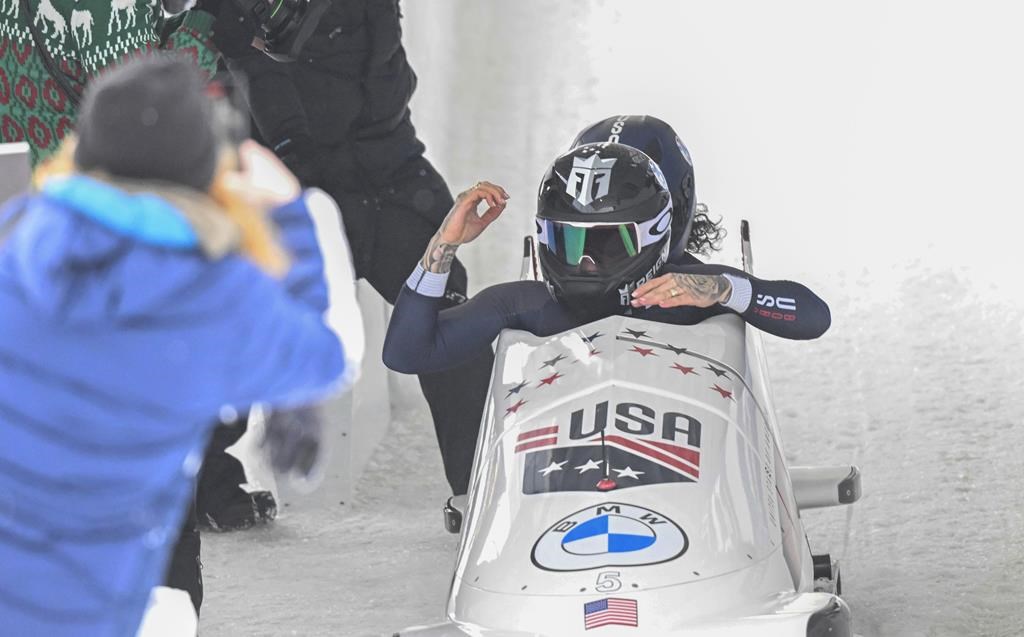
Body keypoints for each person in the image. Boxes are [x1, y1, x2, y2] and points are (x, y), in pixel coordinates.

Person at [0, 55, 358, 636]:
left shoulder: (17, 239)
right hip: (82, 613)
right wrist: (293, 208)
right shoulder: (213, 299)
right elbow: (330, 353)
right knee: (170, 612)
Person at [211, 0, 494, 498]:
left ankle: (478, 485)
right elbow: (250, 68)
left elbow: (385, 82)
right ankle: (211, 485)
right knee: (234, 307)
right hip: (294, 183)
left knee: (446, 311)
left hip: (388, 176)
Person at [382, 134, 831, 378]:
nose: (585, 262)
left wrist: (725, 289)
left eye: (607, 243)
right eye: (569, 243)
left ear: (653, 235)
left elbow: (814, 317)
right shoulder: (525, 304)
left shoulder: (693, 288)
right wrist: (444, 243)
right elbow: (406, 354)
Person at [0, 0, 220, 165]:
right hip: (81, 198)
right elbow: (144, 112)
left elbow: (123, 39)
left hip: (21, 191)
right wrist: (209, 28)